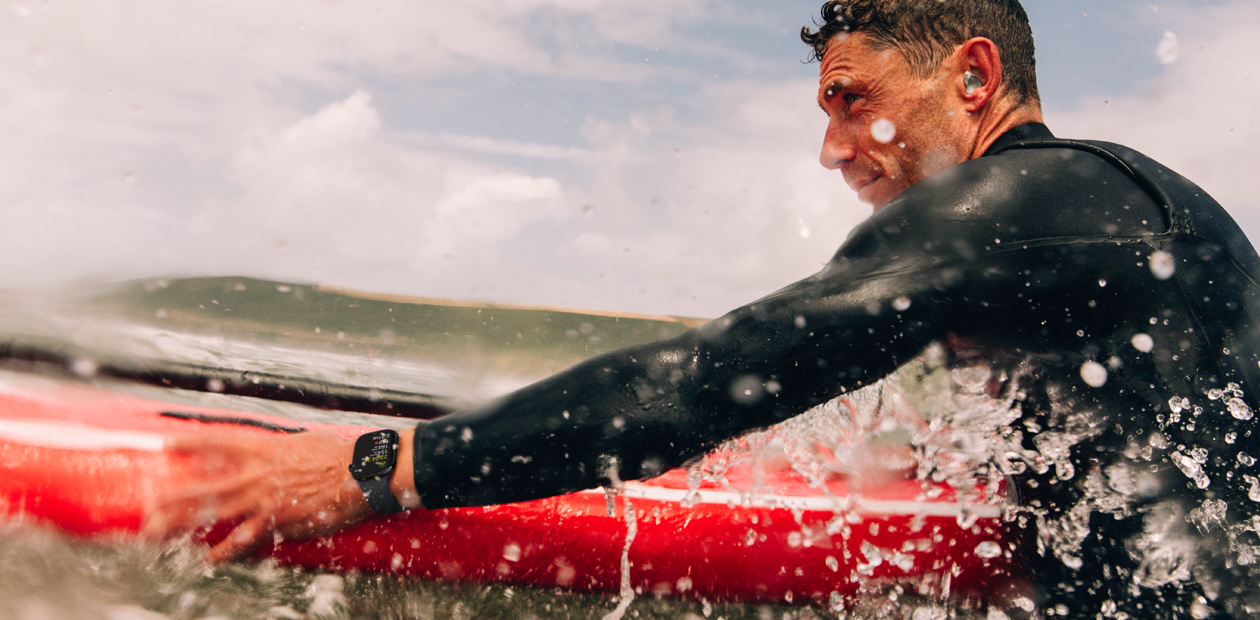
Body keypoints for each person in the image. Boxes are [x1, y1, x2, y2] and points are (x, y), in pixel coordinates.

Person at [145, 0, 1260, 617]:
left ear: (974, 78)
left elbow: (712, 377)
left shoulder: (1005, 208)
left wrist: (378, 465)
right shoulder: (1127, 213)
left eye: (850, 100)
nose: (831, 149)